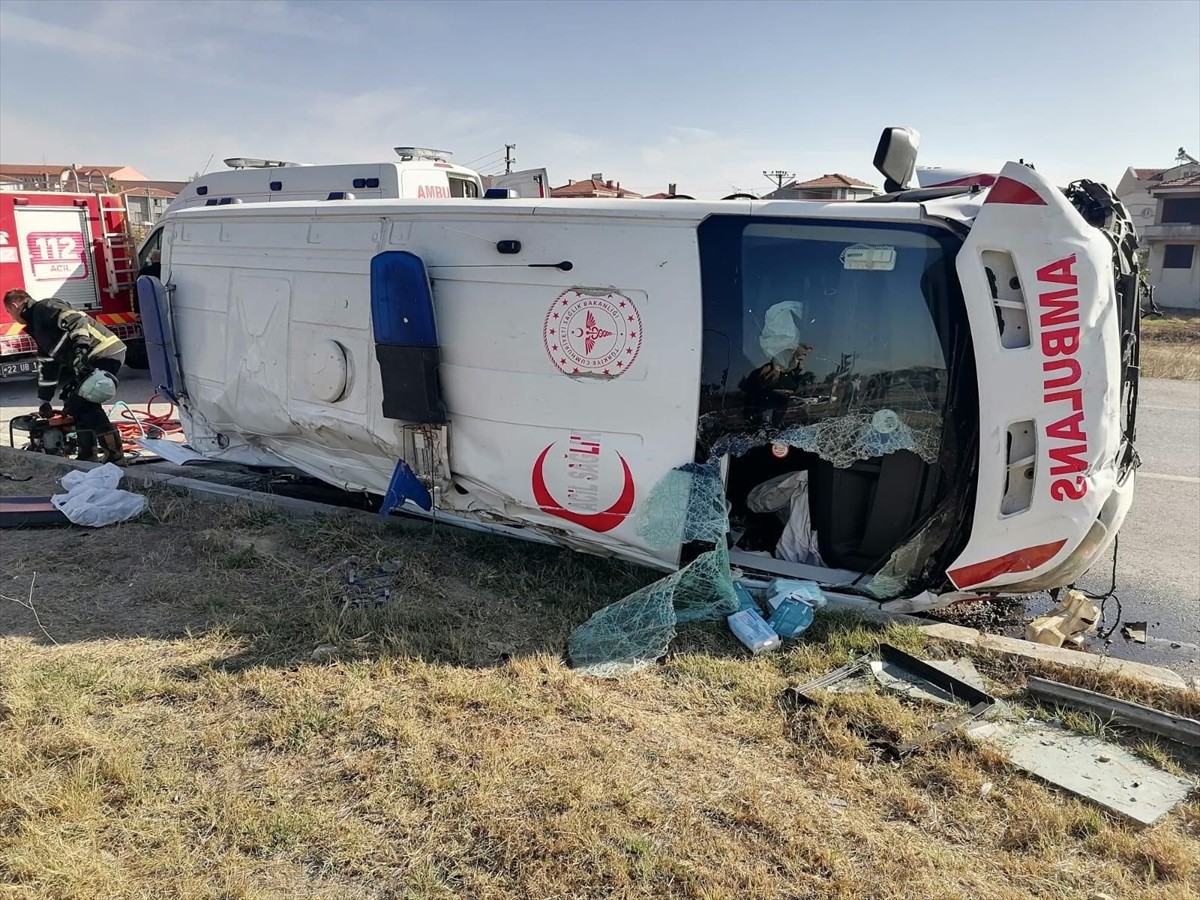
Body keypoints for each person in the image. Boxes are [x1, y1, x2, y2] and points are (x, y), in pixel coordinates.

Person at [2, 289, 127, 463]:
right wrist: (44, 400)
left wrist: (81, 346)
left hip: (104, 352)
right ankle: (87, 456)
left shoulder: (45, 307)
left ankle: (115, 456)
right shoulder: (38, 329)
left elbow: (76, 320)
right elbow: (48, 367)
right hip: (92, 359)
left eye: (9, 312)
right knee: (73, 404)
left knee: (85, 402)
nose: (11, 317)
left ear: (15, 306)